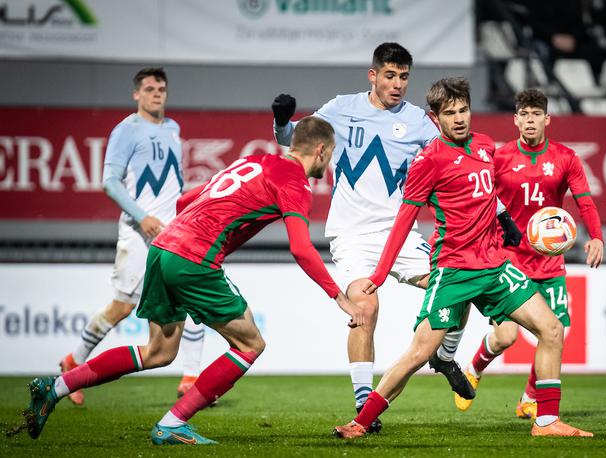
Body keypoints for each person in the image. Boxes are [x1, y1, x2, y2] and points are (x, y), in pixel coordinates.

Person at [23, 116, 364, 445]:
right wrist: (339, 297)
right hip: (193, 258)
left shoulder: (254, 162)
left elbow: (186, 200)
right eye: (330, 155)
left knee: (157, 352)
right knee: (250, 345)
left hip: (162, 250)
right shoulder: (294, 180)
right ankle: (172, 424)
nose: (328, 163)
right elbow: (302, 248)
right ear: (320, 150)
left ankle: (55, 388)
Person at [272, 43, 518, 428]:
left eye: (404, 77)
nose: (397, 84)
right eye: (390, 75)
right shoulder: (341, 108)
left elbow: (464, 165)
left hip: (399, 234)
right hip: (351, 235)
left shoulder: (421, 122)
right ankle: (362, 406)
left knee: (458, 284)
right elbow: (295, 142)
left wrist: (501, 215)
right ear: (373, 76)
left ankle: (445, 356)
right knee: (365, 308)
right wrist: (281, 121)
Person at [333, 77, 593, 439]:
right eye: (450, 113)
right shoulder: (428, 161)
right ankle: (361, 421)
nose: (459, 119)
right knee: (420, 352)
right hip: (453, 270)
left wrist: (506, 222)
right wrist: (379, 273)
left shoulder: (485, 146)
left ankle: (547, 422)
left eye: (464, 110)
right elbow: (404, 221)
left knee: (551, 329)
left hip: (496, 266)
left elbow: (491, 196)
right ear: (435, 118)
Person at [58, 67, 206, 405]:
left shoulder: (173, 128)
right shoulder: (125, 131)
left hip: (173, 233)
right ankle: (72, 362)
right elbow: (110, 182)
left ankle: (191, 377)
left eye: (161, 88)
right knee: (121, 308)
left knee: (190, 298)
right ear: (136, 94)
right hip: (139, 233)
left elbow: (173, 183)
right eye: (150, 88)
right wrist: (143, 217)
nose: (157, 93)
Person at [453, 88, 604, 419]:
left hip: (549, 263)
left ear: (547, 119)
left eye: (537, 114)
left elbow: (585, 201)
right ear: (516, 120)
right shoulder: (500, 158)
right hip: (509, 259)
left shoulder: (566, 158)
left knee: (556, 332)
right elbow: (481, 199)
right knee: (506, 336)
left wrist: (596, 236)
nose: (531, 120)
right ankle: (474, 369)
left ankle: (529, 398)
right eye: (525, 114)